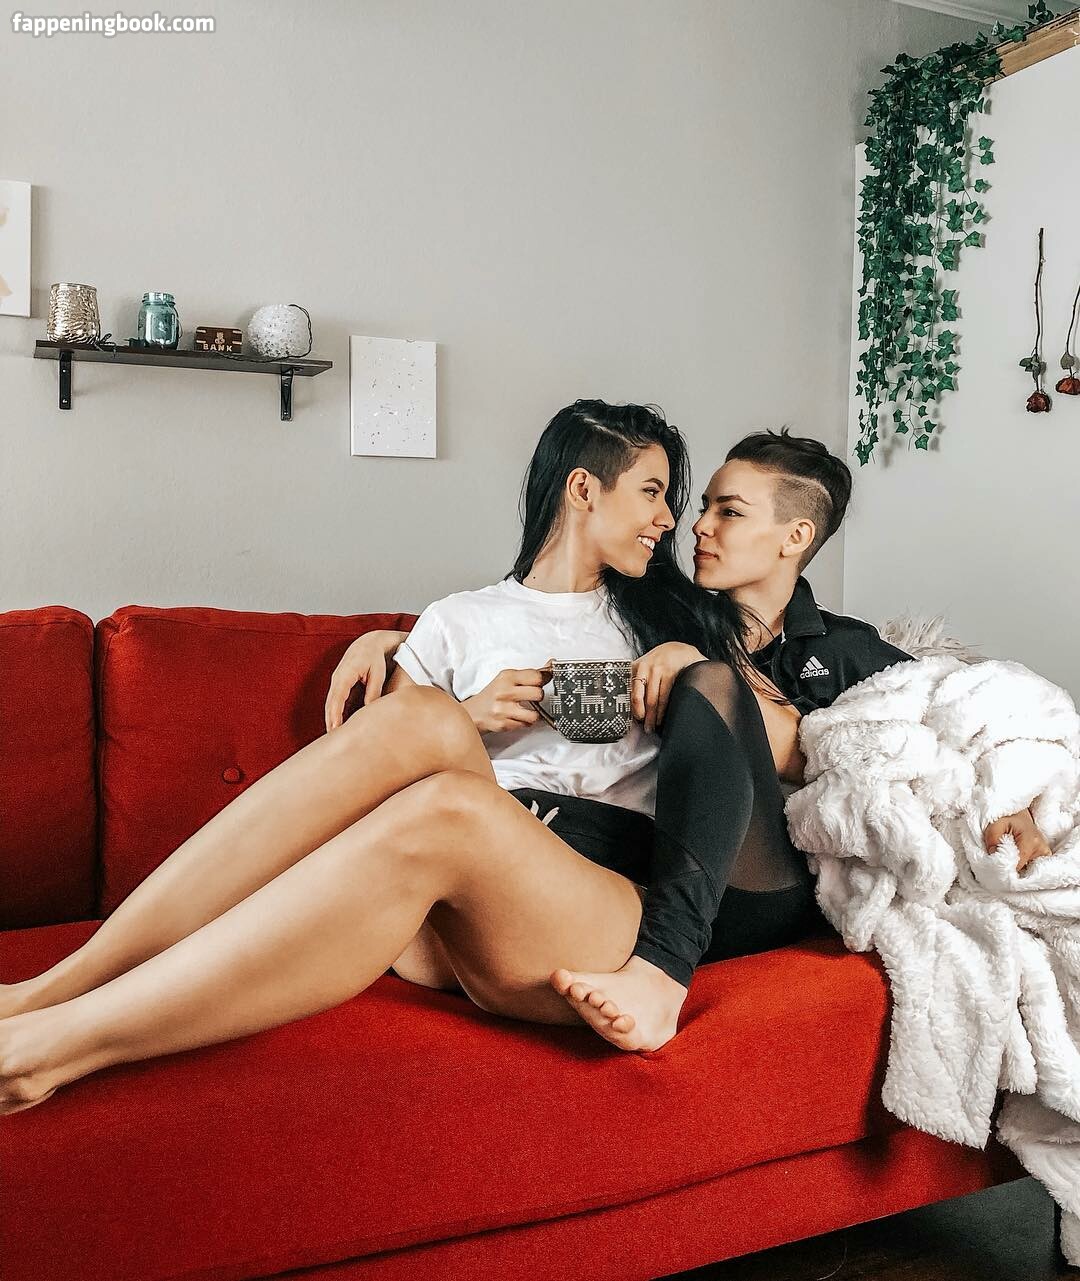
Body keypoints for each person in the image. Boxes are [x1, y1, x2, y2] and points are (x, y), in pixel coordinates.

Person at [0, 399, 807, 1116]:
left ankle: (52, 1049)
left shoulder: (676, 617)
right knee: (423, 720)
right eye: (653, 491)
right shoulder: (457, 620)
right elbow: (380, 772)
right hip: (451, 899)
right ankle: (50, 989)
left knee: (451, 809)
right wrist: (462, 708)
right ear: (583, 489)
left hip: (593, 892)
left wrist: (684, 661)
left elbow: (779, 744)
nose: (669, 520)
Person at [341, 427, 1058, 1049]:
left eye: (728, 511)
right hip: (662, 850)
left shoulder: (846, 648)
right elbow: (557, 666)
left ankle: (661, 967)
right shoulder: (665, 615)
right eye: (704, 506)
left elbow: (957, 717)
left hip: (774, 870)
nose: (698, 526)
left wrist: (1014, 800)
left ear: (795, 537)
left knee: (706, 681)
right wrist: (408, 649)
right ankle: (457, 913)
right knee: (523, 806)